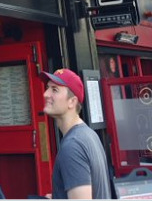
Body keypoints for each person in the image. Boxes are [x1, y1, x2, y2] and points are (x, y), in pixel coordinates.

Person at [41, 67, 111, 199]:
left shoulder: (72, 146)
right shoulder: (89, 135)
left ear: (72, 101)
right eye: (47, 87)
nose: (45, 94)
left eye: (54, 89)